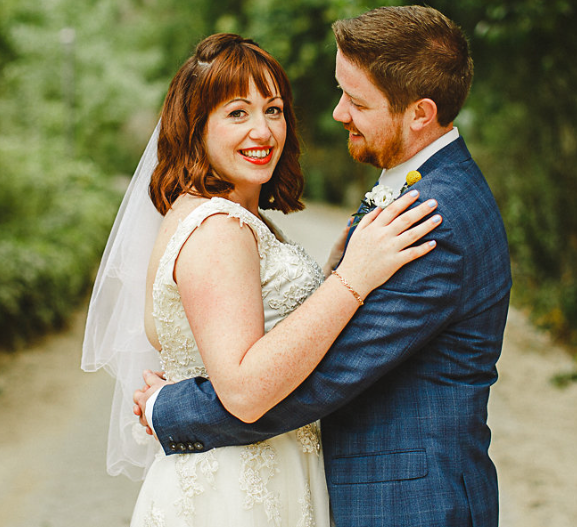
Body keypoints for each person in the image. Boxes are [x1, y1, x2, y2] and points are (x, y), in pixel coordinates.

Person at [135, 6, 512, 527]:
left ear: (420, 113)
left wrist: (170, 409)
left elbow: (324, 376)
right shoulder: (418, 189)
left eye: (357, 101)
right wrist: (344, 274)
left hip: (410, 507)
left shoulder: (431, 218)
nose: (338, 113)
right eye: (237, 113)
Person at [81, 32, 441, 527]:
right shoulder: (218, 229)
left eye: (273, 110)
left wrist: (334, 269)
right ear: (196, 127)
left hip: (260, 468)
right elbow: (245, 391)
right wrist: (352, 279)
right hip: (237, 489)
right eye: (237, 113)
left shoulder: (224, 215)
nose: (263, 130)